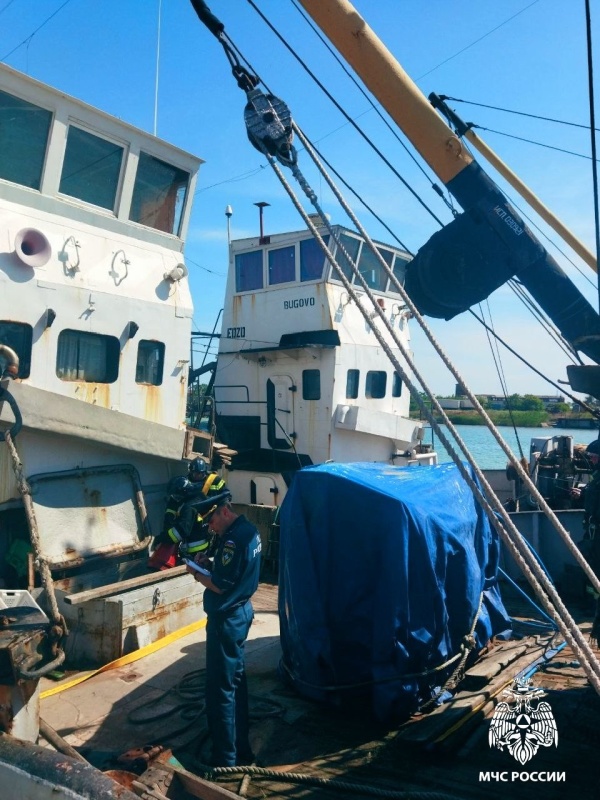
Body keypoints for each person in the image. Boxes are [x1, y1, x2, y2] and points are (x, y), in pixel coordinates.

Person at [185, 491, 262, 767]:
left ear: (224, 512)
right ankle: (242, 749)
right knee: (236, 684)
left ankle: (225, 760)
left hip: (226, 620)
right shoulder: (249, 531)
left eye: (211, 520)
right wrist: (211, 565)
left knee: (220, 691)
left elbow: (220, 585)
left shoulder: (232, 540)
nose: (210, 527)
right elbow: (236, 570)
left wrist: (195, 572)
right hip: (242, 612)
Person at [148, 458, 227, 570]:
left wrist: (162, 538)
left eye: (200, 473)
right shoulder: (187, 495)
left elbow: (180, 532)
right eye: (195, 473)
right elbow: (171, 510)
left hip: (195, 549)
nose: (197, 475)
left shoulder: (189, 508)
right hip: (198, 544)